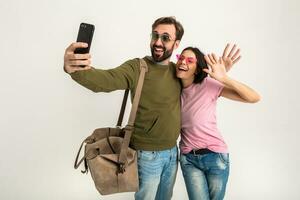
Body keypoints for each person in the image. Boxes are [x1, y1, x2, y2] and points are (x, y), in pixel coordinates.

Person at [64, 16, 184, 200]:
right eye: (155, 36)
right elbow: (105, 80)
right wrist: (75, 70)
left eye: (165, 38)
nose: (158, 42)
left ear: (176, 44)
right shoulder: (138, 67)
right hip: (147, 156)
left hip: (172, 153)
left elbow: (203, 88)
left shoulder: (179, 72)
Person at [175, 45, 260, 200]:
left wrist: (223, 78)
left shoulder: (208, 85)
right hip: (189, 159)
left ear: (197, 68)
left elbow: (254, 97)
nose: (183, 62)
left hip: (215, 157)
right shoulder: (173, 89)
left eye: (190, 60)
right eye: (180, 58)